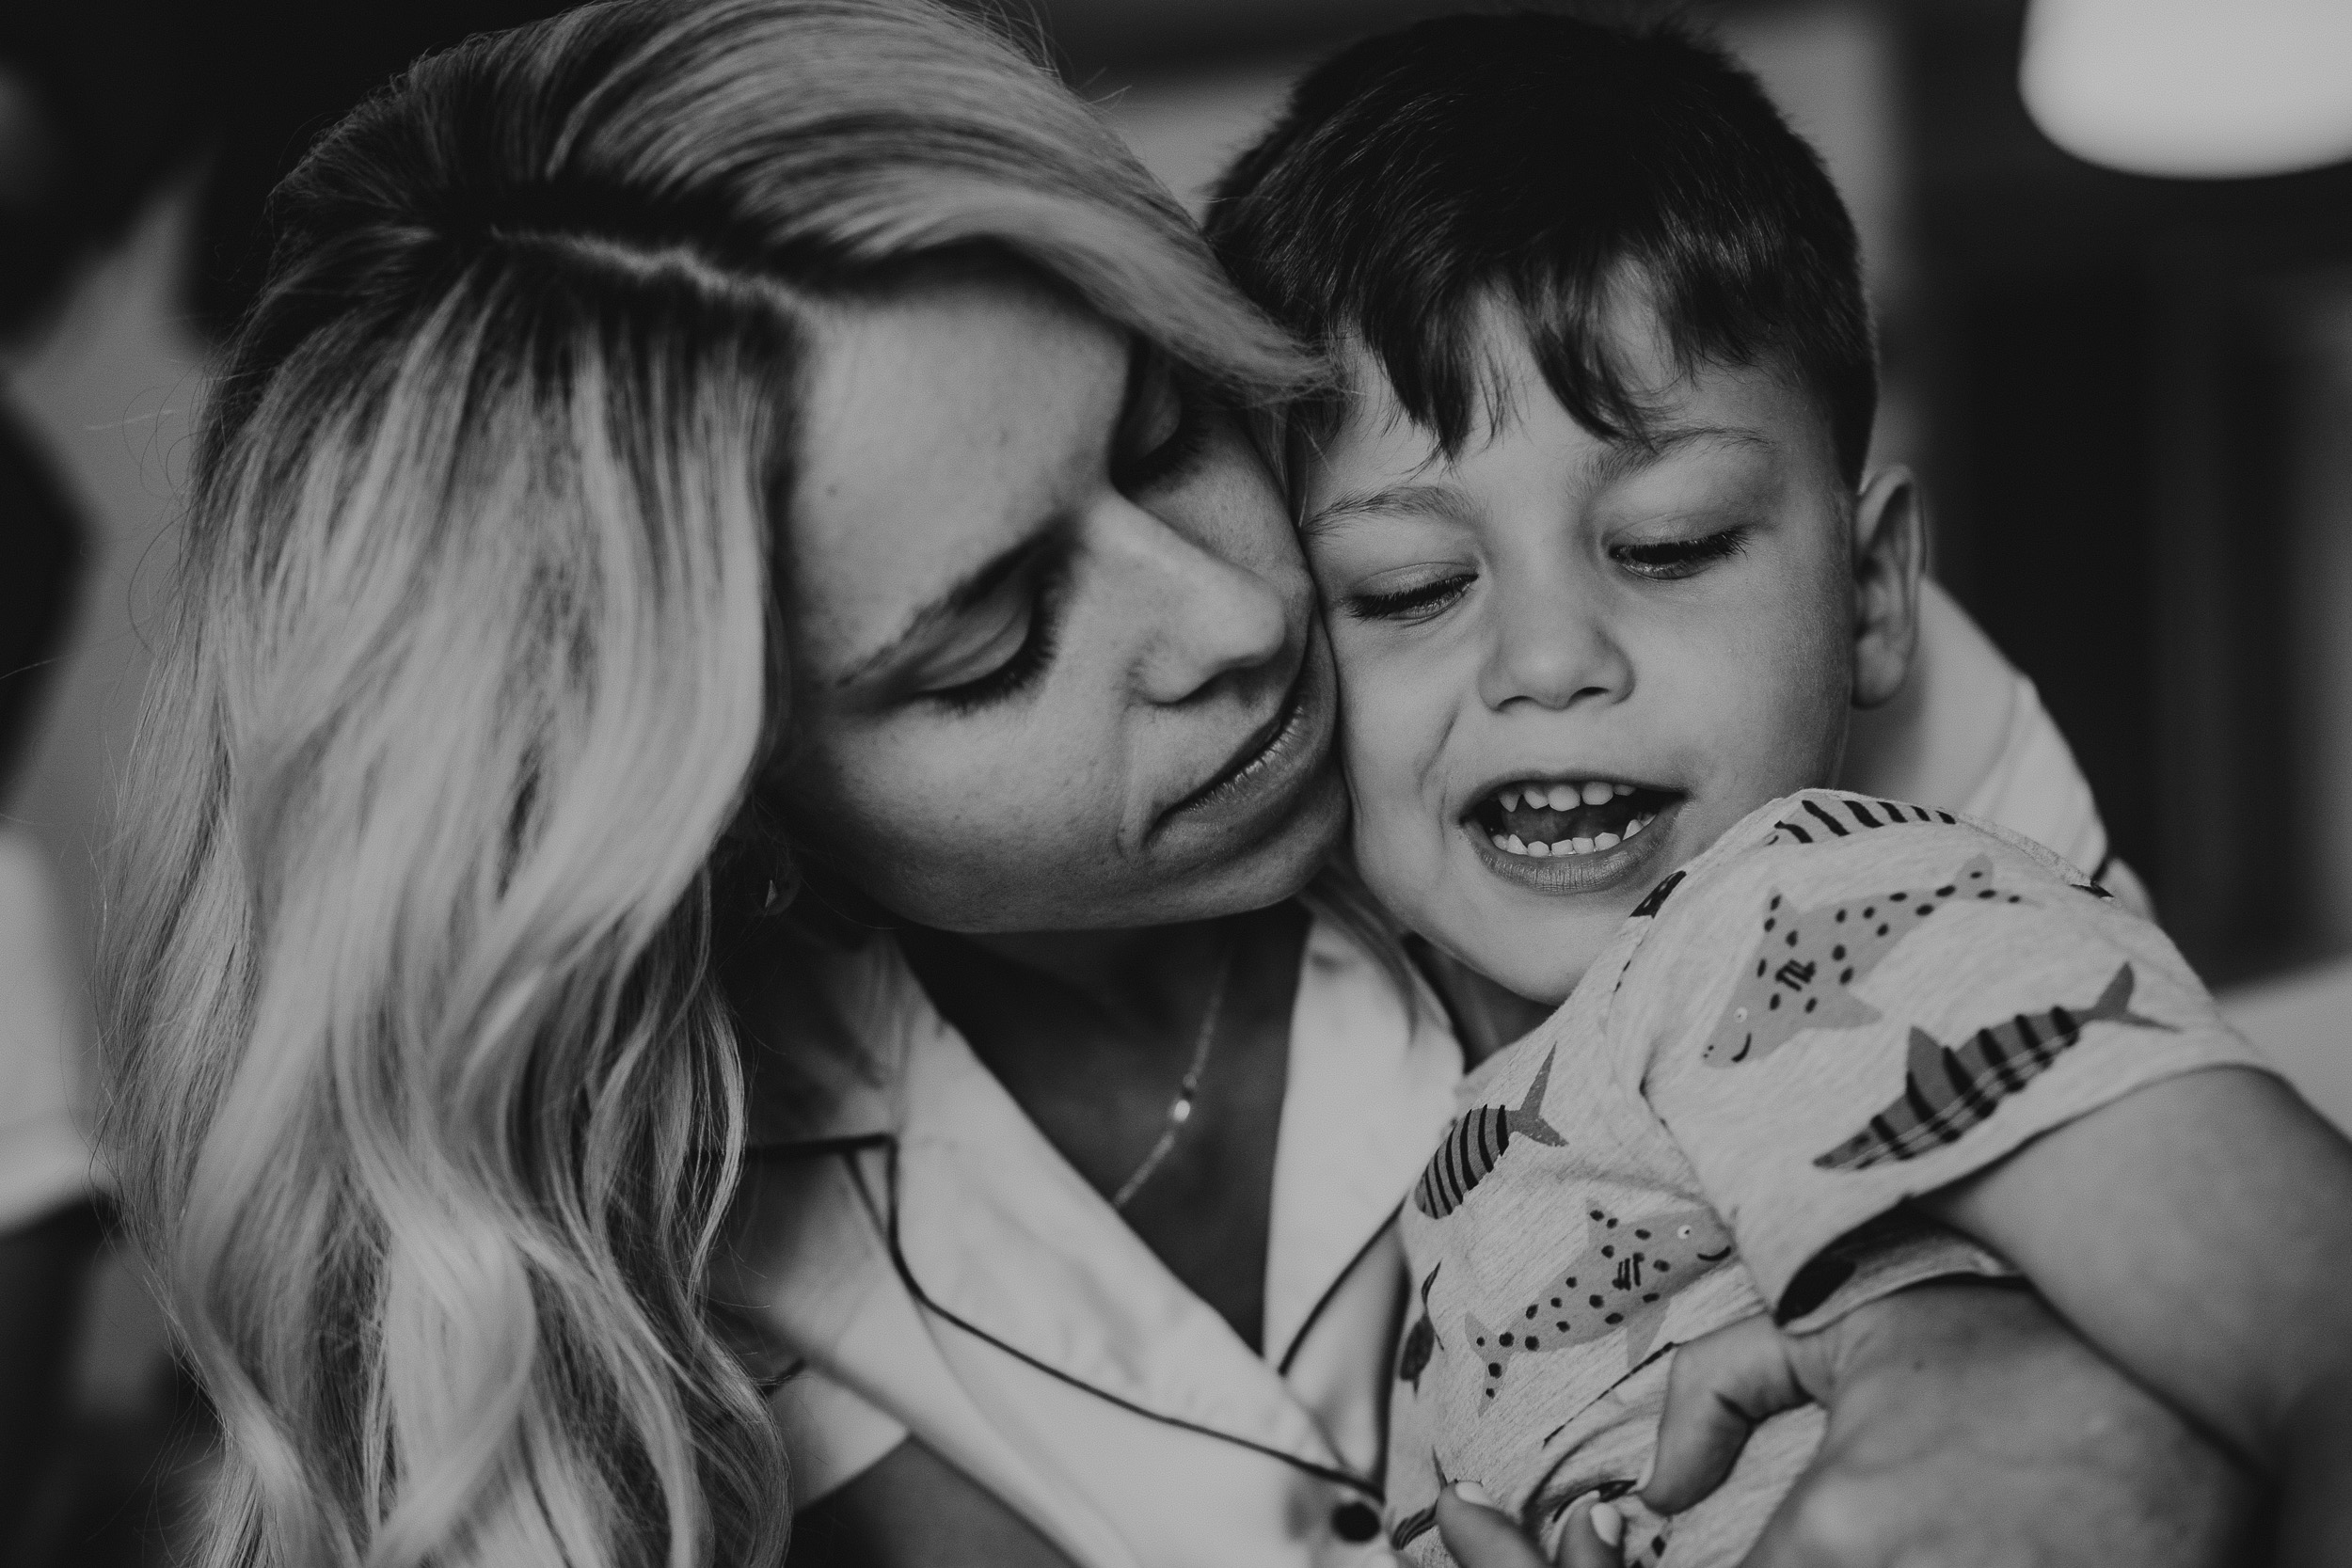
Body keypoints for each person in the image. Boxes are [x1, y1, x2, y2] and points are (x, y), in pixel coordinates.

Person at [100, 4, 2255, 1568]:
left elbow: (2186, 1284)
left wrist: (1998, 1362)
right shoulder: (669, 1271)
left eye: (1159, 436)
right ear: (723, 818)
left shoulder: (1677, 689)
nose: (1234, 618)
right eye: (993, 638)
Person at [1205, 13, 2352, 1568]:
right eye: (1409, 587)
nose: (1547, 659)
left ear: (1873, 593)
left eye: (1667, 545)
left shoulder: (1817, 901)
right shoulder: (1480, 1125)